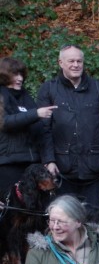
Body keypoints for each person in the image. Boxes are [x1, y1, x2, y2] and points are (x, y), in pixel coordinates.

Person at [37, 45, 99, 207]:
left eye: (79, 61)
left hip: (93, 166)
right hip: (62, 168)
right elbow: (43, 129)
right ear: (61, 63)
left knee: (93, 216)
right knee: (64, 215)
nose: (76, 65)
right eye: (71, 61)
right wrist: (49, 160)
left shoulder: (98, 88)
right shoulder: (48, 89)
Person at [0, 56, 55, 196]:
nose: (20, 78)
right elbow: (5, 122)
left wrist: (48, 160)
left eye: (21, 74)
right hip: (9, 164)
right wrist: (35, 114)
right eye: (15, 74)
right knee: (11, 205)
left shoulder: (26, 96)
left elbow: (40, 131)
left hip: (31, 164)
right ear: (5, 75)